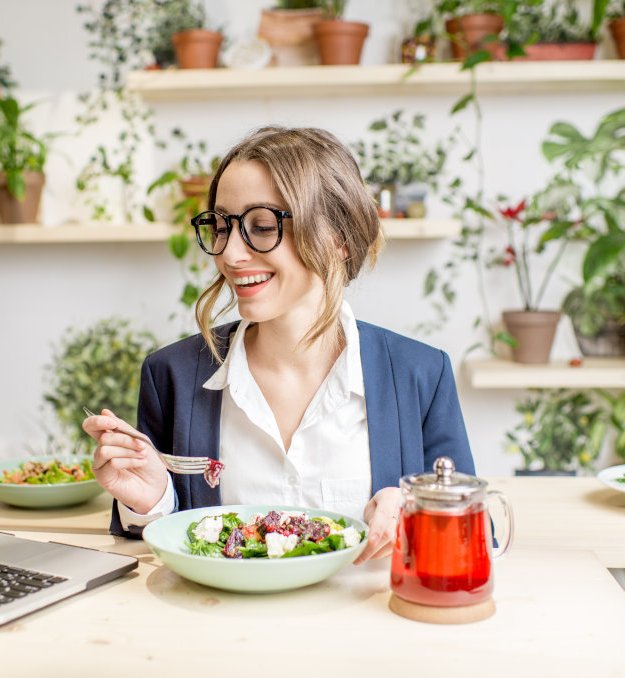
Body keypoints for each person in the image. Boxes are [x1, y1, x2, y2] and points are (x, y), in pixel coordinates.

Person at [83, 126, 474, 564]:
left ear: (338, 238)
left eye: (262, 226)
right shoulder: (170, 375)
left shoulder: (420, 374)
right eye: (221, 226)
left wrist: (418, 513)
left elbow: (476, 538)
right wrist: (152, 500)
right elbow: (152, 547)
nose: (229, 255)